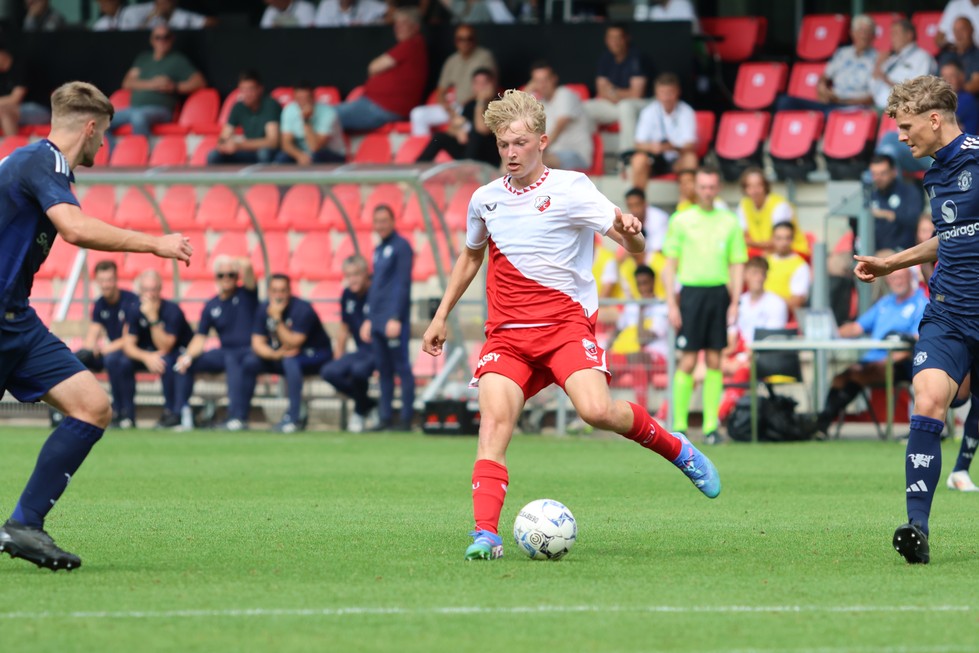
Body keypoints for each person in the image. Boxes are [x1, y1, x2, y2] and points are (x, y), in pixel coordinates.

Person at [421, 89, 721, 561]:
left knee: (596, 411)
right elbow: (471, 256)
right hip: (508, 337)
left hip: (564, 328)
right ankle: (486, 535)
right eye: (503, 144)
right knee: (494, 426)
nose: (511, 153)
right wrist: (441, 316)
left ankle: (677, 448)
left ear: (542, 141)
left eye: (519, 142)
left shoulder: (573, 188)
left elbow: (632, 247)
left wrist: (632, 232)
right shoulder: (485, 200)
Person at [0, 81, 193, 571]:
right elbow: (76, 229)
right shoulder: (41, 161)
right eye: (103, 134)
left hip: (15, 318)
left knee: (91, 405)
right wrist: (154, 243)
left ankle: (24, 525)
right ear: (89, 128)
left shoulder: (34, 164)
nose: (103, 145)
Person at [852, 74, 979, 564]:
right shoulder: (935, 173)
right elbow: (954, 235)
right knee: (927, 399)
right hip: (948, 312)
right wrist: (893, 262)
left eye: (907, 127)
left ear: (933, 118)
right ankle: (916, 528)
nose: (902, 138)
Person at [663, 167, 747, 445]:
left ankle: (711, 426)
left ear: (718, 188)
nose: (708, 192)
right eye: (703, 186)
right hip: (691, 294)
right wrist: (672, 304)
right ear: (695, 188)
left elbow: (737, 263)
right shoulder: (681, 220)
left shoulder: (729, 221)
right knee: (687, 360)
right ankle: (679, 424)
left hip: (717, 293)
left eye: (712, 187)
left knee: (714, 359)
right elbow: (670, 264)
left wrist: (734, 301)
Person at [814, 265, 927, 436]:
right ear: (888, 280)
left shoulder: (921, 303)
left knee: (859, 373)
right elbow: (857, 328)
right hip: (872, 361)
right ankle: (822, 424)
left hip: (900, 364)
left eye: (900, 277)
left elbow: (916, 341)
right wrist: (830, 331)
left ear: (910, 277)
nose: (897, 281)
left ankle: (820, 422)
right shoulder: (885, 303)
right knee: (840, 377)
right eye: (893, 278)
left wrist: (885, 361)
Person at [173, 256, 259, 431]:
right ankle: (182, 414)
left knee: (233, 361)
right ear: (216, 277)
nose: (226, 279)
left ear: (237, 276)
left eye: (231, 274)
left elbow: (250, 272)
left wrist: (241, 263)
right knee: (185, 363)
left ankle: (236, 417)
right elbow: (200, 337)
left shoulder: (246, 295)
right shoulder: (212, 305)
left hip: (247, 351)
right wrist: (187, 356)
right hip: (225, 351)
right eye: (222, 275)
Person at [242, 274, 333, 433]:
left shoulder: (303, 309)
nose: (279, 296)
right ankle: (240, 416)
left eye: (283, 291)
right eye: (275, 291)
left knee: (291, 360)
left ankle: (293, 418)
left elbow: (293, 342)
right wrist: (273, 355)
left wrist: (277, 318)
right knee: (251, 362)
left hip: (317, 355)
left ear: (290, 291)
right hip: (283, 355)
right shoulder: (263, 308)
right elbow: (257, 343)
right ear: (269, 292)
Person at [361, 205, 415, 431]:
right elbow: (377, 287)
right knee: (383, 370)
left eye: (384, 220)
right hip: (377, 319)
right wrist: (368, 317)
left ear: (393, 221)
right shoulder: (378, 249)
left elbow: (402, 284)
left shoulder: (401, 247)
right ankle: (385, 417)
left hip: (393, 320)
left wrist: (395, 317)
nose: (381, 225)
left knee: (401, 368)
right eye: (377, 221)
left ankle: (406, 418)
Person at [717, 256, 789, 423]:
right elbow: (731, 338)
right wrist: (722, 358)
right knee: (704, 365)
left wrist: (741, 358)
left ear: (766, 276)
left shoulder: (776, 303)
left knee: (743, 370)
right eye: (754, 273)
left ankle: (717, 419)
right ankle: (665, 416)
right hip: (741, 354)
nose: (758, 277)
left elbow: (770, 341)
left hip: (763, 358)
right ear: (746, 276)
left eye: (761, 274)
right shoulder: (739, 302)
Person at [121, 269, 194, 429]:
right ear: (140, 291)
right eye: (146, 290)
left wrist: (153, 318)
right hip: (150, 354)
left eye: (153, 289)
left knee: (168, 362)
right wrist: (145, 357)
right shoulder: (134, 310)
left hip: (179, 353)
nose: (150, 294)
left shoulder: (172, 310)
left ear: (160, 290)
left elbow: (165, 346)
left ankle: (173, 413)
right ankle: (125, 415)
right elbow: (128, 345)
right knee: (119, 361)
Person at [335, 9, 428, 133]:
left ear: (415, 27)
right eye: (396, 24)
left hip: (382, 108)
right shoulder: (413, 45)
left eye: (403, 24)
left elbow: (373, 67)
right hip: (375, 105)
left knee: (325, 115)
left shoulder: (412, 44)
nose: (397, 28)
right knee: (324, 116)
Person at [73, 260, 141, 429]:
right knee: (77, 360)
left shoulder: (131, 301)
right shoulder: (99, 304)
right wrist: (89, 349)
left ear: (116, 279)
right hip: (111, 353)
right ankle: (71, 413)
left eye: (109, 280)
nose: (106, 285)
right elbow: (93, 333)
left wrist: (104, 349)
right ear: (96, 281)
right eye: (102, 280)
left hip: (133, 351)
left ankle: (124, 413)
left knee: (116, 361)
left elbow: (129, 338)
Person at [111, 25, 206, 137]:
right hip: (134, 109)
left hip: (161, 110)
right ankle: (112, 152)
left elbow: (200, 82)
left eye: (166, 37)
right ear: (152, 40)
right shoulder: (143, 59)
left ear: (172, 39)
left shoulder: (178, 60)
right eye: (158, 37)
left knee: (138, 117)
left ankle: (142, 152)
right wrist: (152, 84)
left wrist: (175, 87)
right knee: (101, 120)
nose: (162, 41)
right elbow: (127, 83)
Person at [774, 14, 876, 116]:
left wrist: (843, 101)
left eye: (867, 32)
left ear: (873, 35)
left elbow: (874, 97)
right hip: (831, 103)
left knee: (829, 114)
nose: (864, 35)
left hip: (853, 106)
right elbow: (824, 77)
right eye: (860, 31)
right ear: (852, 33)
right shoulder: (842, 53)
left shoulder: (878, 59)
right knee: (784, 102)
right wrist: (822, 87)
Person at [320, 254, 377, 432]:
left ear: (366, 273)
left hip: (378, 351)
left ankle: (360, 412)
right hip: (361, 352)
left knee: (358, 371)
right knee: (329, 371)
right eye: (348, 275)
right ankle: (367, 404)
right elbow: (344, 328)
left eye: (356, 274)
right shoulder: (347, 295)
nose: (352, 279)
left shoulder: (377, 291)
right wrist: (339, 354)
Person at [409, 24, 496, 138]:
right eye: (461, 39)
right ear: (455, 41)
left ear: (475, 40)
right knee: (418, 114)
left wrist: (464, 107)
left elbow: (489, 88)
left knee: (463, 130)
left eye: (468, 39)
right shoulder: (452, 60)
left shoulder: (485, 57)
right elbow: (441, 89)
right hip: (454, 107)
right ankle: (422, 148)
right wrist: (447, 108)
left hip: (475, 106)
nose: (464, 42)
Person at [608, 264, 669, 411]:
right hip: (634, 358)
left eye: (645, 283)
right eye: (639, 284)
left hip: (658, 358)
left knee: (641, 358)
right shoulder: (631, 306)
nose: (642, 288)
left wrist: (642, 310)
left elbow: (643, 339)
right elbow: (617, 330)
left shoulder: (662, 306)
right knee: (637, 366)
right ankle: (641, 413)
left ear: (653, 282)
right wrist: (606, 347)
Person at [583, 24, 649, 153]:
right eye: (611, 38)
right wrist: (617, 94)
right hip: (615, 104)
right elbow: (601, 91)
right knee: (585, 108)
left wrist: (613, 91)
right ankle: (592, 153)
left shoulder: (637, 57)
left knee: (626, 106)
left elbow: (636, 93)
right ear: (606, 40)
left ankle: (627, 159)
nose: (615, 42)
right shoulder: (605, 58)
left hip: (643, 104)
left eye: (618, 38)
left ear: (626, 39)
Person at [415, 67, 500, 167]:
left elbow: (482, 130)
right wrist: (458, 131)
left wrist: (481, 102)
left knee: (476, 134)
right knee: (439, 137)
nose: (480, 87)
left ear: (492, 84)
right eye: (477, 83)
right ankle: (415, 170)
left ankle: (467, 170)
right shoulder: (470, 104)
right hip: (468, 153)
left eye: (484, 83)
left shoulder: (499, 104)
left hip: (490, 156)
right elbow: (451, 129)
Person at [629, 73, 698, 189]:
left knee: (690, 158)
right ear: (656, 94)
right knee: (638, 160)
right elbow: (638, 144)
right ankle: (638, 201)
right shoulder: (649, 112)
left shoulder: (687, 111)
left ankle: (686, 202)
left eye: (670, 93)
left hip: (677, 159)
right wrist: (653, 147)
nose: (666, 97)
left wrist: (670, 146)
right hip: (654, 160)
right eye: (662, 93)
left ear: (677, 92)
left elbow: (690, 145)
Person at [528, 60, 593, 172]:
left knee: (533, 160)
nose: (542, 85)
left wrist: (535, 150)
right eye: (538, 81)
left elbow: (559, 127)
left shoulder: (564, 94)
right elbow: (516, 109)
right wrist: (529, 88)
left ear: (554, 79)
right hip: (552, 154)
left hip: (576, 155)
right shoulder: (541, 103)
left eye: (545, 80)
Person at [208, 70, 281, 165]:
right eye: (243, 90)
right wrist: (224, 145)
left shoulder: (270, 105)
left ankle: (265, 180)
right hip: (247, 152)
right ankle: (221, 180)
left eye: (250, 89)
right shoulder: (238, 106)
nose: (247, 94)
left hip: (268, 153)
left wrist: (239, 145)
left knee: (264, 153)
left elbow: (272, 142)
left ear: (260, 89)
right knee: (214, 155)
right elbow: (223, 136)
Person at [737, 167, 809, 257]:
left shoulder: (780, 205)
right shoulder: (744, 205)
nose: (754, 191)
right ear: (745, 190)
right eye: (750, 187)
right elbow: (743, 236)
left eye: (758, 185)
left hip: (793, 253)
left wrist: (752, 244)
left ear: (765, 186)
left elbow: (781, 242)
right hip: (764, 252)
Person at [871, 19, 937, 111]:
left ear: (909, 35)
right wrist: (878, 64)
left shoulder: (922, 57)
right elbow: (873, 84)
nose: (892, 38)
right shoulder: (891, 59)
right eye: (891, 34)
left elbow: (918, 91)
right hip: (878, 110)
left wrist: (886, 80)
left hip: (907, 112)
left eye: (895, 33)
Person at [275, 82, 345, 164]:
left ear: (313, 97)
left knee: (316, 156)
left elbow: (315, 147)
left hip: (331, 154)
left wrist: (306, 120)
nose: (303, 102)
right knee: (282, 157)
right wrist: (299, 155)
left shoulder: (328, 113)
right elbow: (286, 143)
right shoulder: (289, 110)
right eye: (299, 99)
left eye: (306, 98)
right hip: (303, 153)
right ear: (294, 98)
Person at [866, 154, 924, 252]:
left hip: (902, 252)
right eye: (874, 174)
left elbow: (915, 219)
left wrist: (889, 215)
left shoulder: (908, 191)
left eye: (883, 173)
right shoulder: (870, 195)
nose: (878, 178)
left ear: (894, 172)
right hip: (871, 250)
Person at [0, 47, 52, 136]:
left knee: (3, 111)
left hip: (41, 110)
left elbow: (15, 99)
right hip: (17, 112)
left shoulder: (21, 65)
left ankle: (13, 147)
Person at [764, 222, 811, 313]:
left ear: (792, 240)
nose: (784, 243)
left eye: (787, 238)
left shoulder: (800, 266)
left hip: (782, 316)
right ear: (772, 239)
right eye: (779, 238)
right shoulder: (765, 261)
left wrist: (766, 302)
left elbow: (796, 303)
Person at [936, 16, 979, 94]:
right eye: (955, 30)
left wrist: (954, 89)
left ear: (971, 30)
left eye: (962, 29)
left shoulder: (977, 55)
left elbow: (976, 84)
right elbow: (937, 81)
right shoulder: (946, 54)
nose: (958, 34)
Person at [940, 59, 979, 134]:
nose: (948, 80)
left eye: (952, 76)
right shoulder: (938, 99)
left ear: (961, 77)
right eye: (944, 76)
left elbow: (970, 133)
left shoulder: (968, 100)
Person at [120, 0, 211, 30]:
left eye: (166, 2)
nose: (163, 5)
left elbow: (211, 21)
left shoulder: (180, 14)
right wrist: (149, 19)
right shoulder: (149, 15)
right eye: (160, 2)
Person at [313, 0, 387, 26]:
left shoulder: (370, 5)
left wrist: (369, 24)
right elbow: (320, 33)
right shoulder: (327, 5)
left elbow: (392, 14)